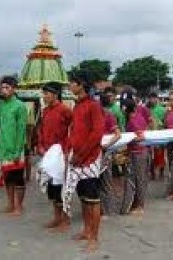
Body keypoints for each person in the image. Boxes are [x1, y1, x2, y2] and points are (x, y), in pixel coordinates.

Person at [64, 74, 105, 253]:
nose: (69, 86)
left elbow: (97, 134)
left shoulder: (93, 106)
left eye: (72, 83)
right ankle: (87, 231)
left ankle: (94, 238)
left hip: (89, 159)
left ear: (81, 85)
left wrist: (81, 154)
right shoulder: (77, 105)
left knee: (93, 199)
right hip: (77, 158)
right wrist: (70, 151)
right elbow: (74, 131)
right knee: (83, 198)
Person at [37, 82, 72, 231]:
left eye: (46, 93)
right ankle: (57, 218)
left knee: (62, 187)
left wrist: (67, 151)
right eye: (43, 94)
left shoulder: (65, 110)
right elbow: (42, 130)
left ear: (55, 94)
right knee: (52, 188)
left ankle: (65, 219)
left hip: (60, 153)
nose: (44, 96)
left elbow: (73, 130)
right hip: (48, 153)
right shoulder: (44, 111)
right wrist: (40, 145)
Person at [0, 77, 28, 216]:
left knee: (18, 177)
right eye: (3, 87)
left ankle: (19, 206)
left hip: (16, 146)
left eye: (7, 87)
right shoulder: (1, 105)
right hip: (3, 146)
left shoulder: (20, 106)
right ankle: (10, 203)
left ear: (14, 89)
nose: (4, 90)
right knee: (7, 177)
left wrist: (17, 150)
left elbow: (21, 130)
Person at [121, 98, 150, 215]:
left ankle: (139, 205)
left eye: (123, 107)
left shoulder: (133, 121)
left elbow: (141, 137)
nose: (122, 109)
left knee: (137, 179)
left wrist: (129, 140)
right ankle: (136, 203)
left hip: (137, 152)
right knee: (138, 178)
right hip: (141, 151)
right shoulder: (139, 117)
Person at [99, 93, 121, 218]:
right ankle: (101, 208)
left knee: (105, 180)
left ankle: (106, 209)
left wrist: (106, 146)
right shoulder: (99, 116)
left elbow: (118, 135)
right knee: (98, 180)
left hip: (105, 152)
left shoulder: (109, 116)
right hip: (97, 151)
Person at [147, 92, 166, 180]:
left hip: (160, 135)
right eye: (150, 98)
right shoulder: (146, 109)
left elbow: (165, 122)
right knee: (150, 155)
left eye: (153, 98)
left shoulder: (162, 109)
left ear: (157, 99)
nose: (152, 100)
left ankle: (161, 172)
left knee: (160, 154)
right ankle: (152, 173)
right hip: (150, 135)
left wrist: (160, 124)